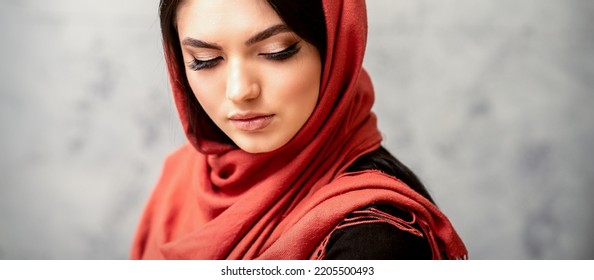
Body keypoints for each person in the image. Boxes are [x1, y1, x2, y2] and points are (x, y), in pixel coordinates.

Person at [131, 0, 467, 260]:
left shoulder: (376, 238)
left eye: (276, 52)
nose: (239, 90)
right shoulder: (184, 175)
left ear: (336, 47)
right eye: (204, 59)